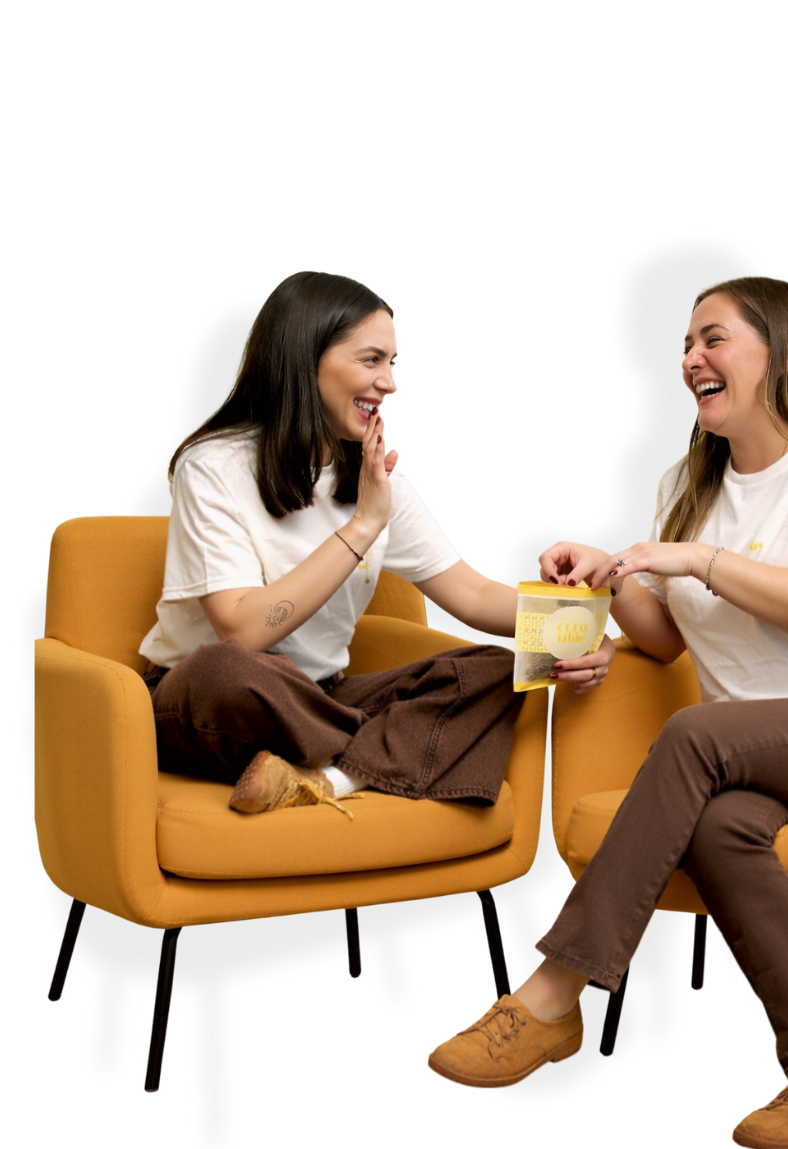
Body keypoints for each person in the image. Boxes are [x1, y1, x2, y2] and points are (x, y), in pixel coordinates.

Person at [427, 275, 788, 1149]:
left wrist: (700, 559)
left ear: (783, 351)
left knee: (695, 735)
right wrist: (614, 573)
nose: (690, 360)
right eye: (684, 346)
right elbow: (666, 642)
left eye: (712, 340)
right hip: (756, 752)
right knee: (719, 825)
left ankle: (552, 997)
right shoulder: (685, 482)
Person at [139, 271, 615, 815]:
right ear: (304, 358)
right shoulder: (213, 466)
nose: (389, 383)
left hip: (323, 697)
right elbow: (242, 629)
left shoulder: (378, 481)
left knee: (497, 668)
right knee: (222, 667)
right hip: (208, 704)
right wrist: (361, 527)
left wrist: (579, 629)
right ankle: (392, 746)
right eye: (371, 360)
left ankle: (328, 780)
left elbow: (474, 595)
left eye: (392, 364)